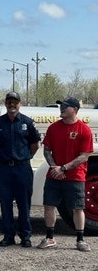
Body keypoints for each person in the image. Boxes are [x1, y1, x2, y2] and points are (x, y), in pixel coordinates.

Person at [38, 97, 93, 252]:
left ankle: (80, 240)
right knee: (49, 205)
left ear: (74, 109)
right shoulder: (53, 128)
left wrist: (63, 168)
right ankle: (49, 238)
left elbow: (84, 155)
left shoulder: (84, 129)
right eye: (61, 105)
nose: (61, 108)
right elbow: (47, 150)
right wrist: (55, 167)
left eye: (65, 106)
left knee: (77, 208)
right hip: (54, 175)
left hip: (75, 176)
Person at [0, 92, 41, 247]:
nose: (12, 105)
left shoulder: (28, 122)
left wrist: (24, 156)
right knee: (5, 203)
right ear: (5, 103)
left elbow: (34, 144)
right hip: (4, 169)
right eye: (9, 101)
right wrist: (4, 156)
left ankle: (26, 236)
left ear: (20, 103)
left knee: (24, 204)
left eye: (15, 102)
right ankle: (8, 236)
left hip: (22, 168)